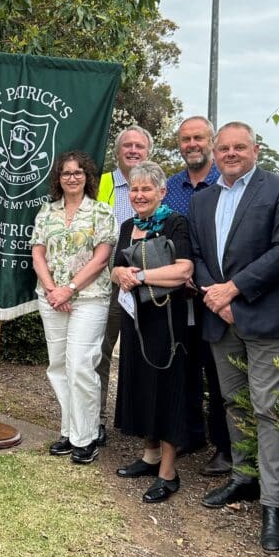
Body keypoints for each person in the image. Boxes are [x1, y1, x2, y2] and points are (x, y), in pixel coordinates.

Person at [189, 121, 279, 553]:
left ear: (255, 149)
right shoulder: (204, 199)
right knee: (232, 402)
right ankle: (243, 478)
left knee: (268, 409)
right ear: (215, 153)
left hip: (267, 318)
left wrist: (234, 290)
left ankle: (274, 505)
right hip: (221, 318)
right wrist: (217, 299)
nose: (231, 153)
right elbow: (198, 256)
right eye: (224, 148)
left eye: (240, 146)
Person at [110, 162, 194, 503]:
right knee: (141, 385)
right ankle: (149, 455)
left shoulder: (175, 223)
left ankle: (168, 473)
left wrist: (141, 277)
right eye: (134, 189)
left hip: (168, 323)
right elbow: (116, 266)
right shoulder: (128, 225)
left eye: (147, 189)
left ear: (161, 192)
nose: (139, 195)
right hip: (136, 320)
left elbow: (183, 270)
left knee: (168, 389)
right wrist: (120, 275)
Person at [31, 151, 117, 465]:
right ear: (59, 178)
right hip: (51, 298)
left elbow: (101, 258)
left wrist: (69, 289)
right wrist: (54, 290)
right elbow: (38, 254)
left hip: (89, 298)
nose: (72, 177)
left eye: (78, 172)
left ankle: (87, 436)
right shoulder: (46, 212)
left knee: (81, 365)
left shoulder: (101, 212)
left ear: (87, 177)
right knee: (58, 366)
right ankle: (69, 432)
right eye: (66, 173)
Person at [163, 116, 233, 476]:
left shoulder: (225, 184)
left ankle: (225, 446)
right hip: (175, 295)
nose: (192, 144)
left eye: (198, 138)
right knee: (182, 366)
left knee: (218, 372)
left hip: (213, 294)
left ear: (211, 141)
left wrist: (203, 282)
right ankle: (189, 434)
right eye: (185, 139)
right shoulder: (171, 186)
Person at [95, 124, 152, 447]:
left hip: (148, 286)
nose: (132, 150)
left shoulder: (158, 186)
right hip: (106, 284)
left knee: (143, 354)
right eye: (126, 145)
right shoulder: (101, 183)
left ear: (148, 152)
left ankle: (141, 421)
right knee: (101, 353)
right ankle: (97, 419)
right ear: (117, 152)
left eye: (139, 146)